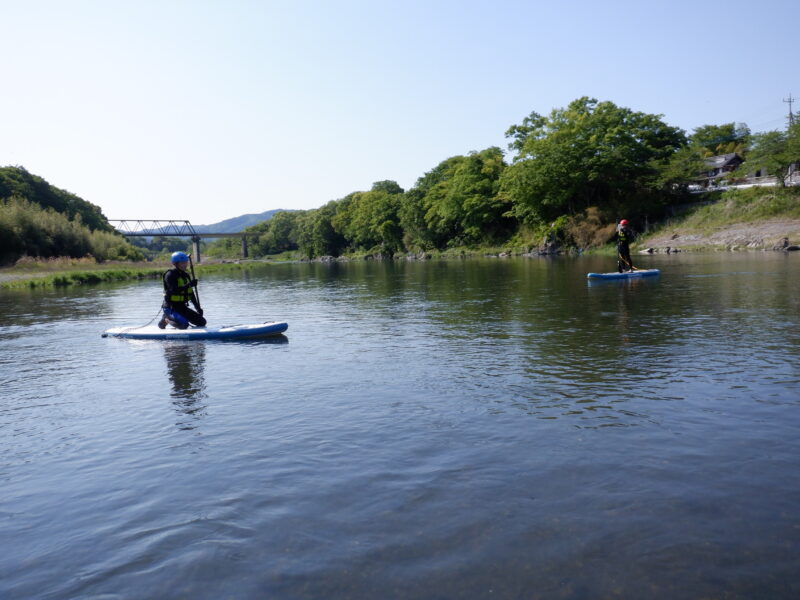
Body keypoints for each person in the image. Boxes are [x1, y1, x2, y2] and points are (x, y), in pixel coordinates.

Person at [158, 251, 207, 329]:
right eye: (182, 263)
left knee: (202, 322)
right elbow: (173, 290)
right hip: (170, 307)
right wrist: (189, 285)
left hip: (182, 307)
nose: (185, 265)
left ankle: (179, 318)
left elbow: (191, 294)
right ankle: (166, 319)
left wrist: (198, 308)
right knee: (184, 325)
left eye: (186, 262)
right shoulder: (170, 275)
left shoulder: (186, 275)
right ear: (175, 264)